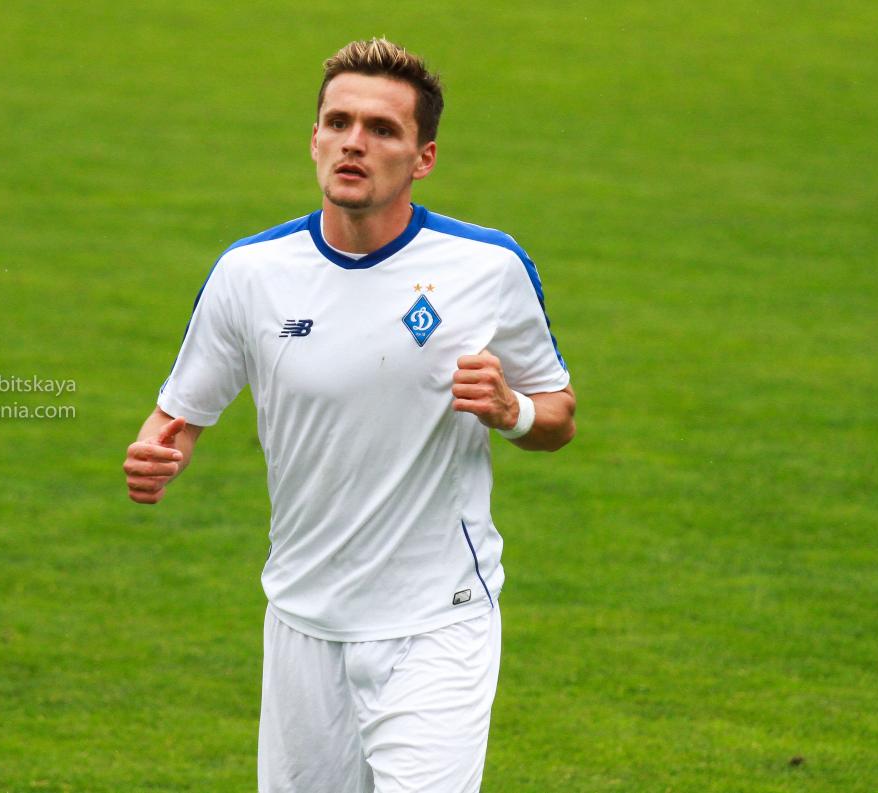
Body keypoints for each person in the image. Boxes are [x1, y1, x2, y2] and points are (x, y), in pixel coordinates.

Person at [123, 37, 575, 793]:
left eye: (382, 129)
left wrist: (512, 410)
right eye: (339, 122)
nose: (354, 142)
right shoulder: (251, 274)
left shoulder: (488, 268)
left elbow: (559, 414)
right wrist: (154, 456)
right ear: (314, 139)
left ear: (424, 157)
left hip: (439, 621)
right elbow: (176, 419)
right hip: (303, 622)